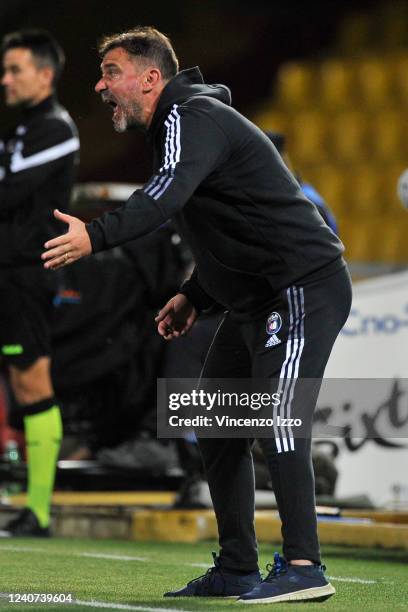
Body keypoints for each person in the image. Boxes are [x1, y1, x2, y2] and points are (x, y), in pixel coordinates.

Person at [42, 26, 352, 604]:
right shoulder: (179, 127)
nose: (100, 84)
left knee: (276, 416)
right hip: (253, 295)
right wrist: (195, 294)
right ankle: (238, 567)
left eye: (111, 72)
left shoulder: (190, 117)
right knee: (213, 419)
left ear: (150, 77)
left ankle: (306, 565)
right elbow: (231, 229)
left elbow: (162, 199)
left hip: (300, 287)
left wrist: (97, 234)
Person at [0, 30, 79, 537]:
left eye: (15, 70)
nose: (4, 80)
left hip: (26, 271)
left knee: (32, 381)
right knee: (20, 382)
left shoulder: (56, 129)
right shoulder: (23, 130)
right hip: (8, 268)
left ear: (45, 75)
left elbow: (5, 193)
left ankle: (40, 511)